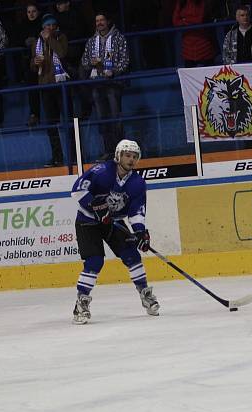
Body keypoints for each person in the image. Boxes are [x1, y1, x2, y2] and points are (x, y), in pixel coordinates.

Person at [70, 139, 159, 324]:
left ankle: (145, 293)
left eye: (135, 156)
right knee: (95, 262)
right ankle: (81, 303)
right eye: (127, 155)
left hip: (114, 222)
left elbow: (136, 210)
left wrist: (140, 232)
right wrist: (95, 205)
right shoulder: (102, 171)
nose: (131, 159)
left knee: (132, 256)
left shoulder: (137, 183)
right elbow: (77, 190)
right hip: (88, 221)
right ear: (118, 155)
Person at [80, 12, 129, 160]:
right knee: (102, 119)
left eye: (102, 20)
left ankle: (120, 152)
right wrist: (92, 63)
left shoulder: (119, 38)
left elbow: (125, 61)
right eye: (97, 21)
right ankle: (108, 151)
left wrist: (112, 71)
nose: (99, 23)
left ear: (108, 21)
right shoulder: (91, 41)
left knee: (115, 118)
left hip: (113, 84)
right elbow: (84, 61)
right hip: (97, 84)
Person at [31, 13, 69, 167]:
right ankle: (57, 158)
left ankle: (74, 156)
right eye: (48, 25)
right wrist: (34, 62)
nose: (51, 27)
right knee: (51, 125)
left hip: (61, 85)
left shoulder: (61, 38)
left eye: (53, 25)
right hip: (45, 86)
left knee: (68, 122)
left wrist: (49, 39)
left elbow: (62, 53)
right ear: (43, 26)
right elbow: (33, 67)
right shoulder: (36, 42)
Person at [173, 0, 217, 67]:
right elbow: (175, 21)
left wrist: (184, 20)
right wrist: (188, 22)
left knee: (209, 75)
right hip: (187, 50)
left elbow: (198, 20)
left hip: (204, 48)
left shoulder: (203, 2)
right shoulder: (181, 2)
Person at [20, 3, 42, 126]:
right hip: (30, 62)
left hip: (45, 60)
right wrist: (25, 42)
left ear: (38, 12)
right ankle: (34, 115)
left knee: (47, 89)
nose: (31, 14)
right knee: (33, 89)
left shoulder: (44, 24)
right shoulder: (23, 26)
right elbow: (17, 41)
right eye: (29, 12)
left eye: (33, 11)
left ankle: (55, 116)